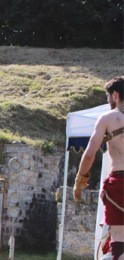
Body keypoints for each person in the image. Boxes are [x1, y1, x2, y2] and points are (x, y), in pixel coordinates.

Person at [74, 75, 124, 260]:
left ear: (116, 94)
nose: (108, 101)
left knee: (119, 244)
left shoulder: (108, 118)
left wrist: (80, 181)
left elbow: (89, 154)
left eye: (108, 96)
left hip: (120, 184)